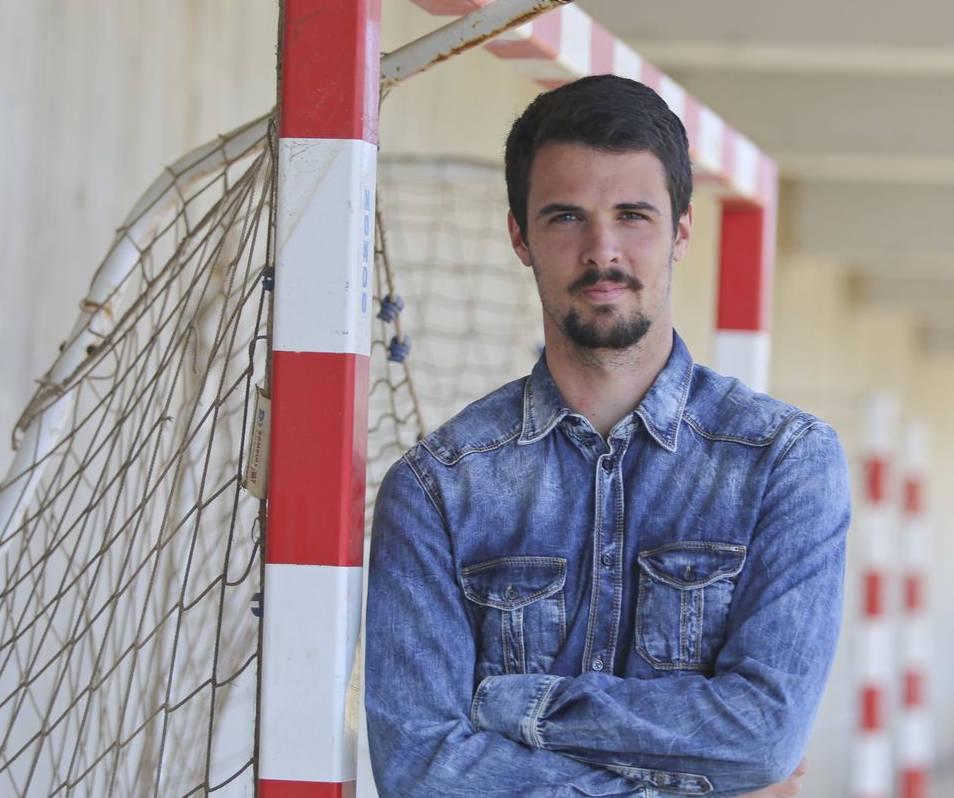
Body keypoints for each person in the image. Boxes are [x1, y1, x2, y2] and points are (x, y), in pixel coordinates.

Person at [364, 74, 850, 797]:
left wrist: (510, 706)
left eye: (633, 215)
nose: (602, 251)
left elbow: (763, 735)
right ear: (519, 237)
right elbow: (420, 767)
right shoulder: (438, 488)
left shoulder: (785, 463)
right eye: (565, 217)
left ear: (681, 232)